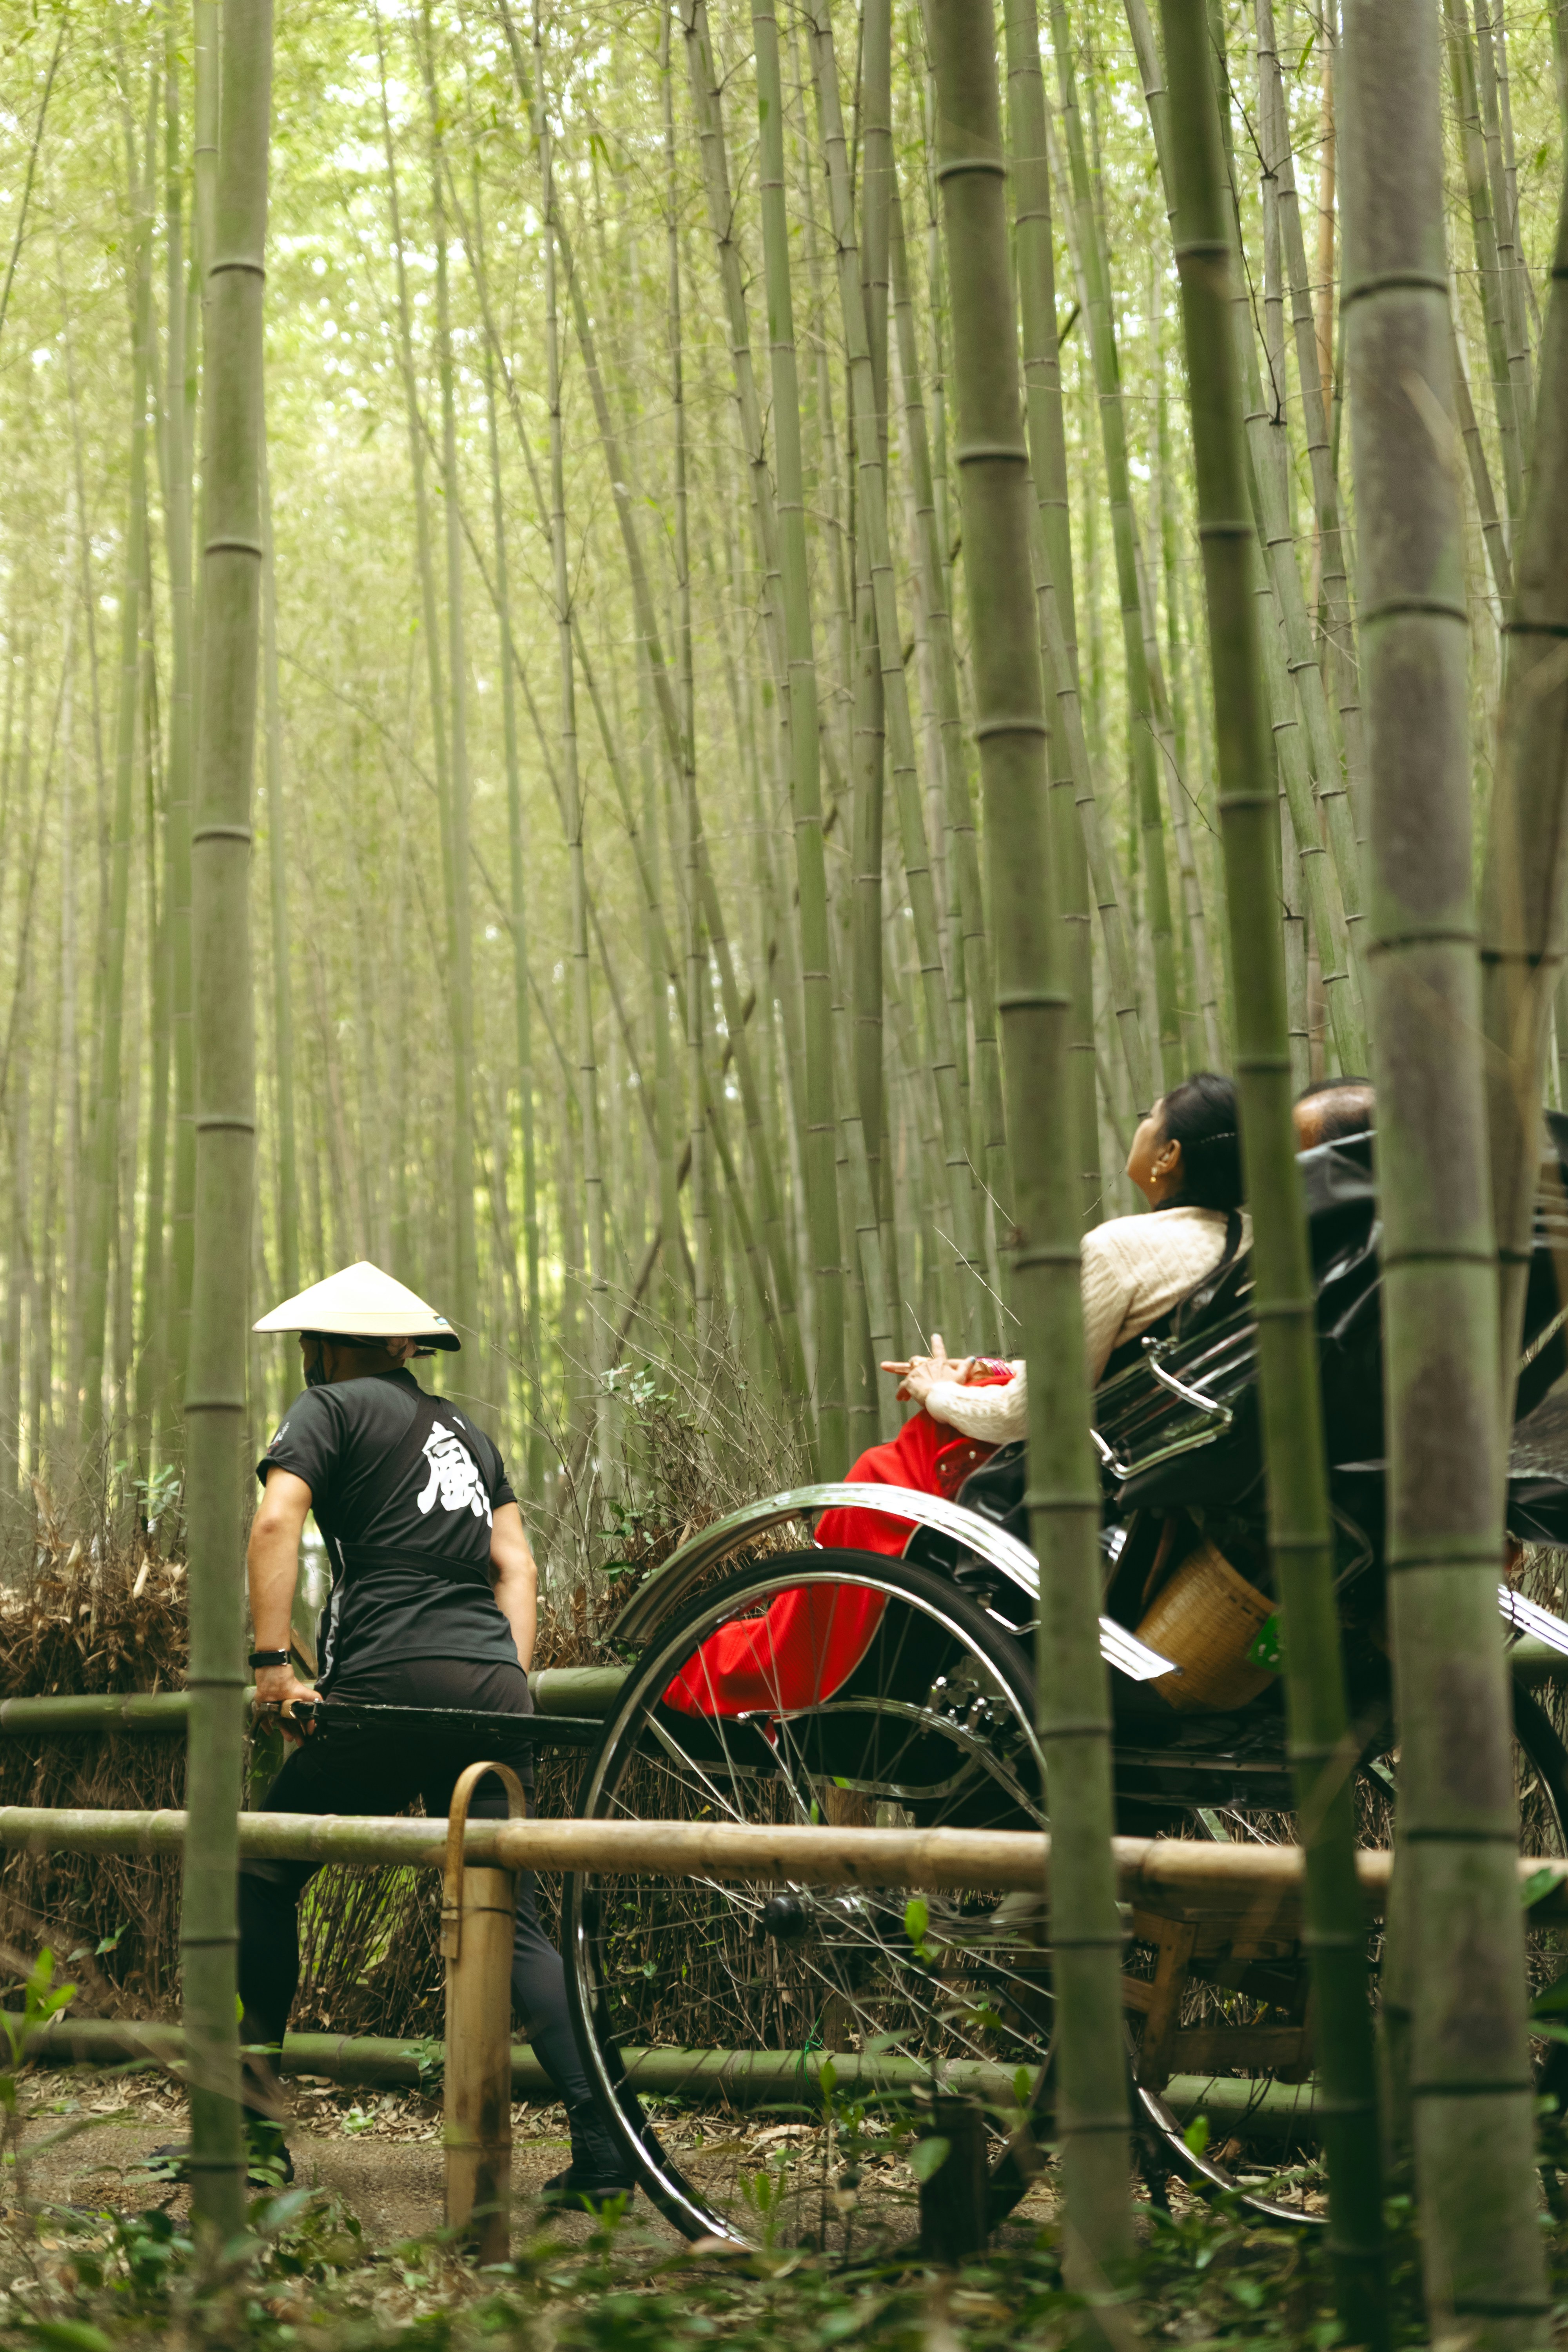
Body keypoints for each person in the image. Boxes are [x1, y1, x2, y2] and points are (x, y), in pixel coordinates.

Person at [187, 1261, 630, 2207]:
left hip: (390, 1683)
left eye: (317, 1343)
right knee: (513, 1922)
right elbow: (515, 1564)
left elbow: (275, 1523)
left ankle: (257, 2132)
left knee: (260, 1868)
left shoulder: (331, 1410)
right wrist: (503, 1679)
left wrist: (273, 1666)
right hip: (492, 1687)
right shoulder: (467, 1432)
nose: (309, 1357)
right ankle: (606, 2147)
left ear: (349, 1347)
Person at [666, 1075, 1248, 1719]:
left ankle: (770, 1676)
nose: (1139, 1127)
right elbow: (1119, 1368)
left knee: (878, 1476)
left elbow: (1031, 1414)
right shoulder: (1249, 1248)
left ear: (1168, 1156)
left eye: (1150, 1118)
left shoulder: (1121, 1250)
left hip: (1067, 1486)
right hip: (1160, 1484)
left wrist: (938, 1393)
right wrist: (984, 1368)